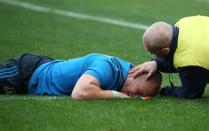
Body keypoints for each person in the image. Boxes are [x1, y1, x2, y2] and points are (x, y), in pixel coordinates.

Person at [0, 53, 162, 100]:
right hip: (26, 72)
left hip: (43, 72)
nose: (134, 97)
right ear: (136, 74)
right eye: (138, 92)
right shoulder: (109, 67)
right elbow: (80, 93)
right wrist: (116, 95)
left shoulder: (121, 76)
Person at [131, 15, 209, 99]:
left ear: (165, 51)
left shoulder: (187, 60)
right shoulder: (183, 22)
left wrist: (162, 90)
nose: (156, 57)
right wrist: (156, 63)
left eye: (156, 54)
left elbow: (190, 93)